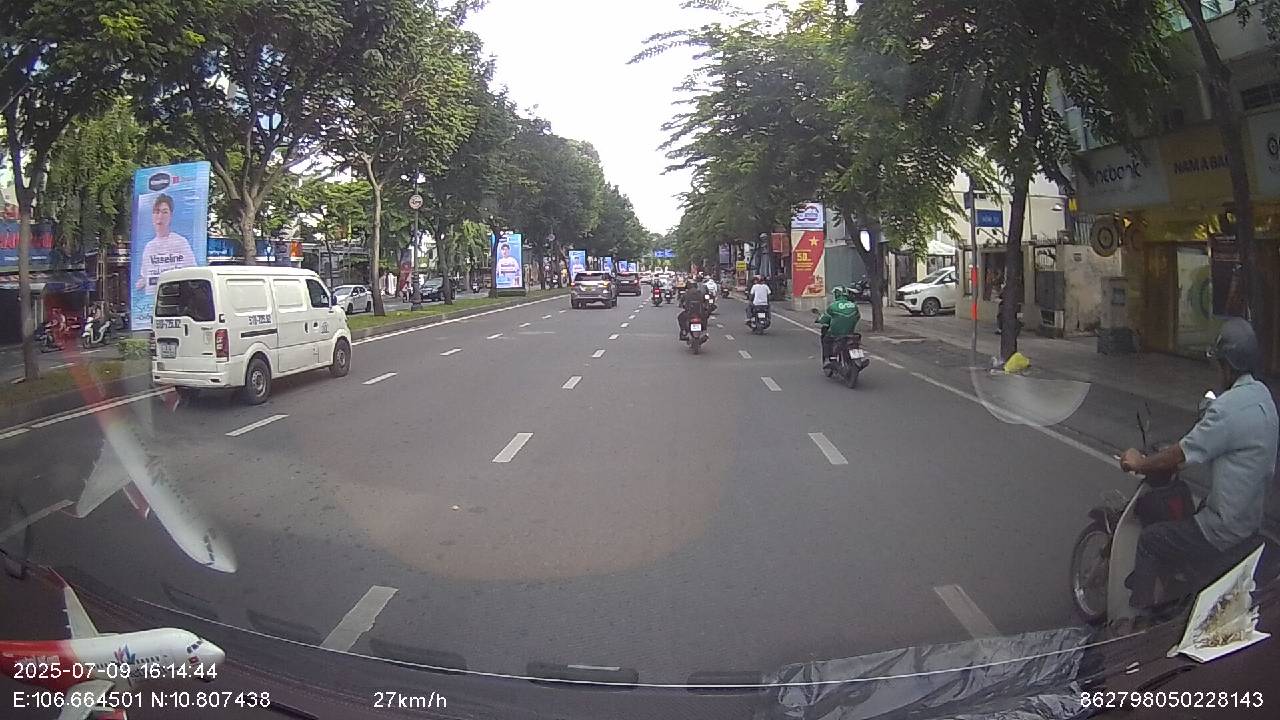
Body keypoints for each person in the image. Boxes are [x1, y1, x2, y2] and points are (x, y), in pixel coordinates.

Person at [1120, 318, 1278, 608]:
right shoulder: (1263, 397)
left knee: (1151, 541)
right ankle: (1177, 590)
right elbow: (1223, 441)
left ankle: (1136, 623)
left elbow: (1180, 455)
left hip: (1223, 530)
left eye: (1219, 364)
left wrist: (1140, 462)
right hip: (1249, 521)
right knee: (1195, 508)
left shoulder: (1226, 409)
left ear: (1226, 366)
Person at [135, 193, 195, 294]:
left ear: (171, 216)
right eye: (157, 212)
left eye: (165, 212)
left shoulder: (181, 242)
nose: (160, 216)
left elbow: (193, 272)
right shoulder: (149, 247)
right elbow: (145, 278)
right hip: (155, 299)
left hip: (177, 297)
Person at [816, 286, 861, 370]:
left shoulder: (833, 306)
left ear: (836, 294)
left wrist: (819, 320)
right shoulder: (853, 305)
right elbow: (858, 317)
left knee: (826, 340)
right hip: (850, 332)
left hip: (836, 333)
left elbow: (825, 318)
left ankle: (828, 359)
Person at [677, 276, 709, 341]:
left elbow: (681, 302)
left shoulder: (687, 293)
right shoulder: (700, 293)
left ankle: (683, 331)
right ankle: (704, 331)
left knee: (680, 317)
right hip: (700, 313)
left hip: (689, 313)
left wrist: (681, 305)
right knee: (705, 317)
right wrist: (705, 307)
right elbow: (706, 302)